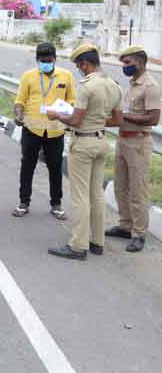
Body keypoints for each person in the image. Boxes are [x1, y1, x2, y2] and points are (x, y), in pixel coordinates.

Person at [47, 44, 122, 260]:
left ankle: (78, 246)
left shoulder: (87, 86)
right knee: (96, 194)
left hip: (83, 144)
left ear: (85, 64)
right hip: (101, 141)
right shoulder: (114, 85)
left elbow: (76, 120)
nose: (79, 69)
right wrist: (96, 120)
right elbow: (117, 120)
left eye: (79, 66)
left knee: (80, 196)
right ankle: (97, 242)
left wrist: (56, 115)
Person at [105, 45, 161, 252]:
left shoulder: (150, 86)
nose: (124, 66)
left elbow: (153, 118)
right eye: (123, 63)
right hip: (123, 140)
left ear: (140, 62)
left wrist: (123, 117)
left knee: (138, 190)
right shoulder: (132, 85)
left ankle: (139, 233)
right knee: (121, 187)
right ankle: (125, 225)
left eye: (127, 63)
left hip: (139, 142)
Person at [12, 42, 75, 220]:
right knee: (27, 165)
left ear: (55, 59)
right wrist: (18, 114)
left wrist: (66, 112)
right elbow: (20, 100)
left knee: (55, 167)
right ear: (37, 60)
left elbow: (72, 100)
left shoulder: (66, 76)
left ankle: (56, 204)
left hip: (55, 130)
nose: (45, 64)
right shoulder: (28, 76)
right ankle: (24, 202)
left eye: (48, 60)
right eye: (41, 61)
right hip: (32, 128)